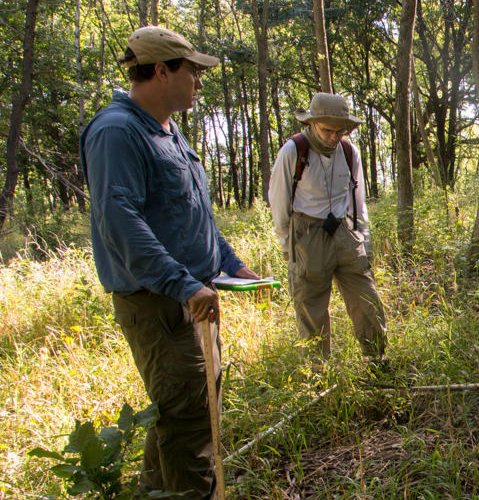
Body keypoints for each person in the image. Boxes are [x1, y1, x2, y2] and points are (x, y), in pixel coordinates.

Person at [81, 26, 261, 499]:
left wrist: (230, 263)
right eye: (192, 72)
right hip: (160, 304)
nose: (199, 83)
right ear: (161, 71)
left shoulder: (168, 130)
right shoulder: (117, 132)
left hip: (193, 296)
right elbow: (121, 224)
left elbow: (191, 212)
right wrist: (183, 285)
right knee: (190, 428)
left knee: (182, 415)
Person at [268, 93, 387, 364]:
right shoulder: (292, 151)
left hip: (345, 232)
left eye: (340, 131)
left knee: (367, 299)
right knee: (311, 309)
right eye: (327, 130)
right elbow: (278, 201)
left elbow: (358, 200)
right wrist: (288, 245)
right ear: (312, 124)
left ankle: (376, 362)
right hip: (307, 233)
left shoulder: (349, 152)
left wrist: (363, 239)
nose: (334, 137)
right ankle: (319, 374)